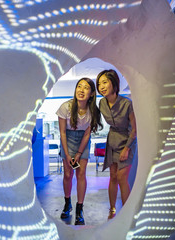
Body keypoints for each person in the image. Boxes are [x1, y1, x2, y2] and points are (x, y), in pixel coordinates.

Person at [56, 77, 102, 225]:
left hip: (83, 140)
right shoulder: (66, 107)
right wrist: (68, 154)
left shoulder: (93, 111)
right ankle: (67, 203)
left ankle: (79, 208)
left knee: (81, 173)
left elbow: (87, 134)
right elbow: (62, 133)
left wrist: (78, 153)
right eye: (79, 86)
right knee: (68, 173)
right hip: (67, 138)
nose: (81, 90)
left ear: (92, 93)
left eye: (86, 87)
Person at [96, 69, 137, 220]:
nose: (101, 86)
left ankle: (126, 213)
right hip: (112, 140)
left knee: (122, 177)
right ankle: (112, 210)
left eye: (105, 82)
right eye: (99, 84)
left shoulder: (127, 103)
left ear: (114, 83)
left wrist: (126, 148)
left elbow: (134, 129)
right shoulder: (101, 103)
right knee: (112, 176)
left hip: (127, 141)